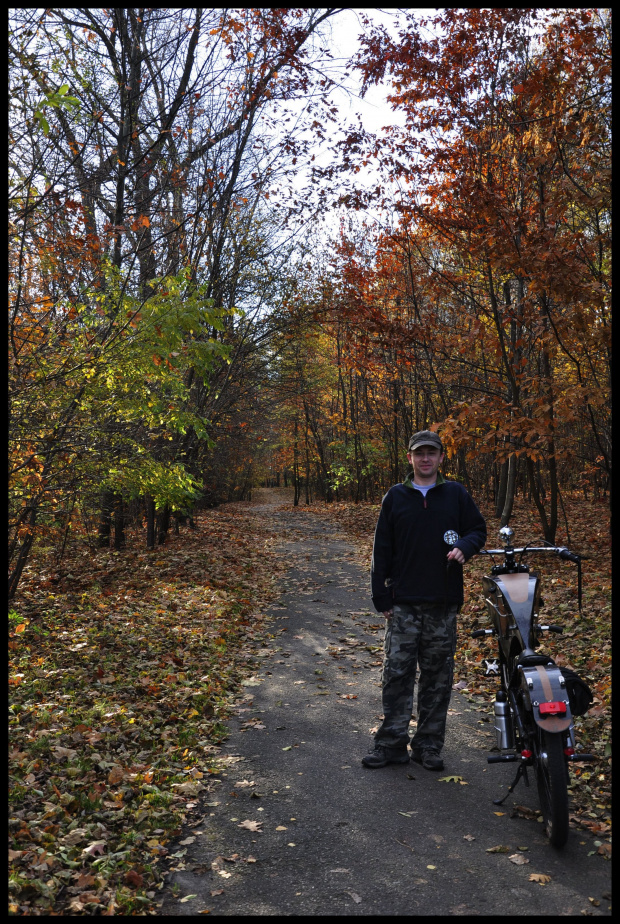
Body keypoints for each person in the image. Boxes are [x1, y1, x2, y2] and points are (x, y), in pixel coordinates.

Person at [362, 430, 486, 770]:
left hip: (442, 603)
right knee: (397, 674)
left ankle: (428, 746)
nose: (426, 458)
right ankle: (391, 745)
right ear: (410, 458)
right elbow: (381, 549)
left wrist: (466, 546)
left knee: (437, 678)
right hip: (402, 603)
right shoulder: (396, 497)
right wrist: (381, 595)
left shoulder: (455, 494)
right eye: (420, 453)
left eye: (432, 452)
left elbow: (478, 529)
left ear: (442, 457)